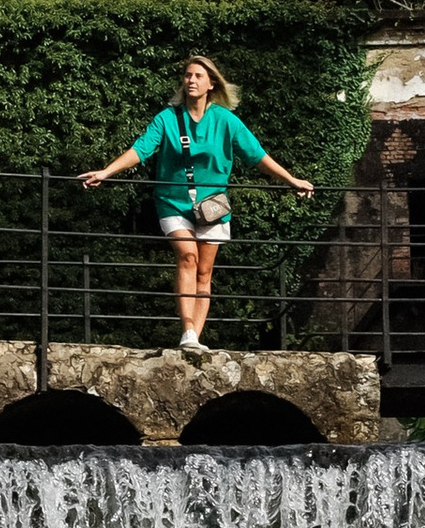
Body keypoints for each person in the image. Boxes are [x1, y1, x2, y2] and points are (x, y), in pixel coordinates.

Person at [80, 54, 314, 354]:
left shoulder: (226, 121)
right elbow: (141, 148)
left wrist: (292, 180)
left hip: (212, 206)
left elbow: (257, 156)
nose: (191, 80)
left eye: (198, 76)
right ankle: (187, 329)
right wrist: (107, 172)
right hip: (172, 203)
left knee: (204, 274)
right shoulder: (167, 118)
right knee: (187, 256)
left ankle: (193, 339)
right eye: (188, 75)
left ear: (211, 84)